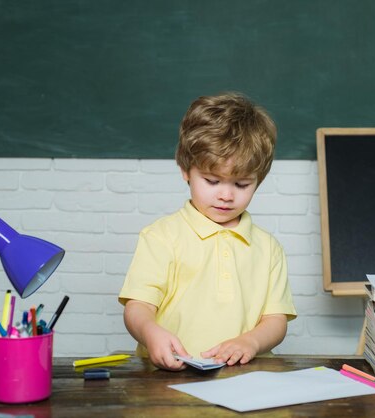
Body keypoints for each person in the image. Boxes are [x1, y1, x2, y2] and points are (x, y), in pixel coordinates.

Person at [118, 92, 297, 371]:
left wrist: (250, 342)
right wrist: (150, 332)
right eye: (212, 180)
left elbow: (276, 320)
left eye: (241, 185)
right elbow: (138, 307)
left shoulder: (268, 247)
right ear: (185, 171)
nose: (226, 195)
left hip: (245, 377)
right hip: (167, 379)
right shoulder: (161, 237)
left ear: (258, 181)